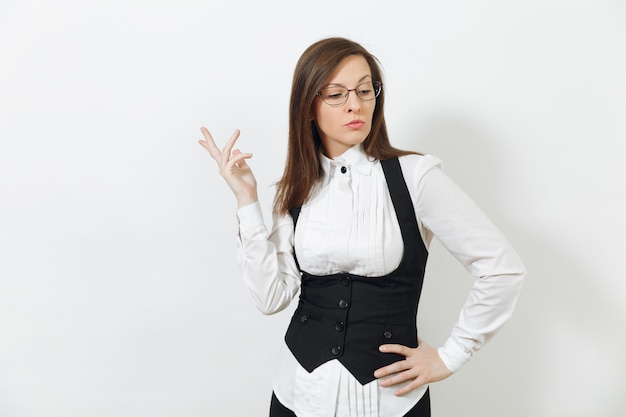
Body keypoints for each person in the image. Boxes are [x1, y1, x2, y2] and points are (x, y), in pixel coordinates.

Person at [198, 37, 525, 417]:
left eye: (365, 90)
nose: (355, 104)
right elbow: (271, 298)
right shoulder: (296, 189)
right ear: (308, 107)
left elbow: (502, 268)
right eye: (336, 94)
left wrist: (451, 356)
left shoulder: (415, 177)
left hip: (392, 404)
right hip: (296, 396)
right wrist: (246, 201)